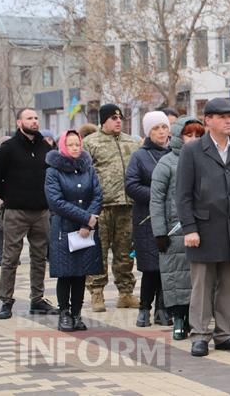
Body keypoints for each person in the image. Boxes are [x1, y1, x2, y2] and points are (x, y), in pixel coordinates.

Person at [176, 98, 230, 357]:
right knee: (202, 285)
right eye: (222, 116)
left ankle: (225, 334)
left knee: (228, 285)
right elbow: (182, 196)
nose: (229, 120)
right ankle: (200, 335)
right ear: (209, 121)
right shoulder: (192, 151)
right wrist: (189, 228)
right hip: (203, 229)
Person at [0, 108, 59, 319]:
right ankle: (6, 301)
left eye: (36, 118)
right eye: (29, 118)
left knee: (40, 257)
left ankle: (37, 299)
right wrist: (10, 196)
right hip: (15, 211)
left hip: (41, 212)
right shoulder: (8, 148)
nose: (34, 121)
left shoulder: (45, 147)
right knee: (10, 258)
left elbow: (52, 177)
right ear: (19, 122)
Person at [150, 116, 204, 341]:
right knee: (176, 278)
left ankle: (198, 320)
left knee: (198, 278)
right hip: (174, 230)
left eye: (198, 135)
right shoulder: (167, 162)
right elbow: (157, 199)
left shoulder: (205, 159)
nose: (193, 139)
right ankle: (179, 319)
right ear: (179, 136)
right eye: (188, 135)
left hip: (201, 227)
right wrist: (160, 231)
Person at [83, 104, 141, 311]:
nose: (118, 121)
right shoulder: (90, 143)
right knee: (98, 251)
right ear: (103, 121)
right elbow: (83, 174)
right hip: (101, 207)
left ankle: (126, 293)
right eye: (113, 118)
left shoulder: (131, 143)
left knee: (125, 252)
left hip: (127, 206)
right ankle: (97, 293)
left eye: (120, 118)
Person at [44, 130, 102, 331]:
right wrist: (85, 217)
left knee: (80, 273)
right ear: (62, 147)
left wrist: (88, 223)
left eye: (77, 144)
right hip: (63, 228)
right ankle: (65, 313)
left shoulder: (89, 169)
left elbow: (97, 196)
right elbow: (56, 202)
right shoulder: (53, 171)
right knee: (65, 273)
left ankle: (77, 313)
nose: (75, 148)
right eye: (70, 145)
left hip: (86, 229)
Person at [125, 111, 172, 327]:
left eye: (164, 127)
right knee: (151, 266)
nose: (161, 132)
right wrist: (157, 195)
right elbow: (131, 185)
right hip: (147, 218)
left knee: (167, 265)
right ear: (148, 132)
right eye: (156, 128)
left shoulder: (174, 153)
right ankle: (144, 308)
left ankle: (163, 308)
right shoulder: (140, 156)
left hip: (171, 218)